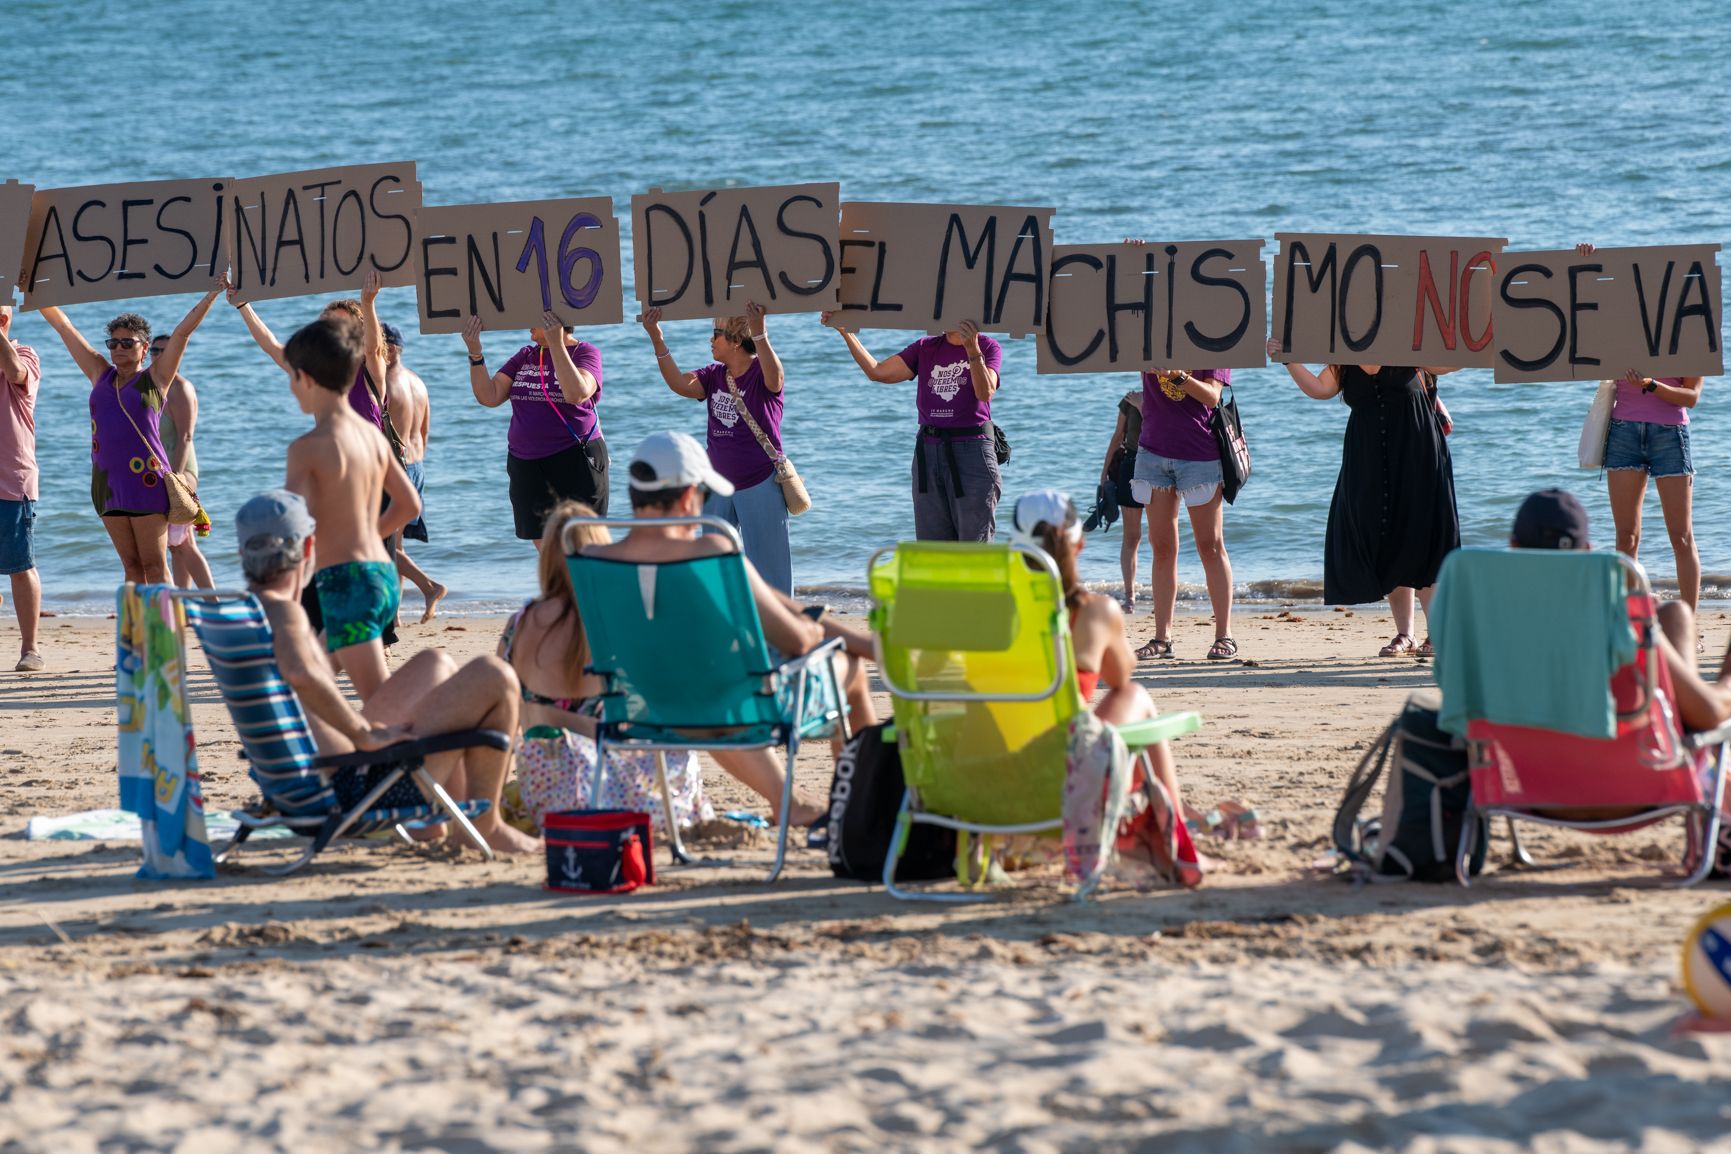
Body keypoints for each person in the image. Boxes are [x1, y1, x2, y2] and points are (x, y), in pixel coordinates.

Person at [583, 431, 879, 828]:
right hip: (735, 709)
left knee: (710, 689)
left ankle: (788, 799)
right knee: (851, 670)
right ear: (690, 496)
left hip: (641, 710)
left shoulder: (593, 559)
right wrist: (830, 635)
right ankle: (863, 806)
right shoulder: (711, 552)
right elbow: (796, 640)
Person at [234, 489, 538, 855]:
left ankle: (447, 820)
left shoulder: (242, 617)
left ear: (242, 553)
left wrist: (341, 629)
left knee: (434, 662)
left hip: (304, 781)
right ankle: (484, 826)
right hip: (352, 788)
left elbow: (302, 680)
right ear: (309, 548)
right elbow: (301, 675)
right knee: (495, 675)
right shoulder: (285, 616)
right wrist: (363, 734)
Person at [497, 498, 712, 832]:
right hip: (606, 790)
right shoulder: (617, 621)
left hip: (546, 792)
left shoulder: (518, 626)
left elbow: (503, 725)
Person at [1270, 339, 1460, 657]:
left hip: (1417, 452)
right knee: (1383, 537)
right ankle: (1405, 635)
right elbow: (1320, 389)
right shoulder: (1343, 356)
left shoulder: (1408, 345)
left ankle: (1437, 634)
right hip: (1368, 457)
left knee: (1424, 538)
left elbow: (1451, 363)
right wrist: (1287, 359)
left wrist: (1480, 338)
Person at [1009, 489, 1190, 819]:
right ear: (1079, 545)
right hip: (1062, 778)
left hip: (989, 763)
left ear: (1015, 546)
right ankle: (1173, 822)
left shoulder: (988, 608)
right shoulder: (1093, 612)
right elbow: (1120, 675)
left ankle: (1172, 817)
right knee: (1134, 694)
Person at [39, 283, 222, 587]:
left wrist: (211, 295)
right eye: (113, 342)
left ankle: (166, 633)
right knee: (131, 567)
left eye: (127, 342)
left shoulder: (157, 379)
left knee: (154, 564)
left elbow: (182, 333)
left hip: (147, 482)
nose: (118, 348)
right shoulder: (100, 372)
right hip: (107, 483)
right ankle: (138, 634)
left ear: (144, 348)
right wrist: (36, 291)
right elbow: (63, 326)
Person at [282, 314, 420, 702]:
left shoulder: (306, 449)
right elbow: (409, 504)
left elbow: (290, 528)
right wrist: (365, 537)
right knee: (309, 683)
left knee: (379, 699)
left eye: (291, 378)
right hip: (379, 575)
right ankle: (329, 757)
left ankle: (412, 749)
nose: (292, 389)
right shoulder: (372, 437)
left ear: (305, 378)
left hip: (346, 582)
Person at [1576, 245, 1702, 615]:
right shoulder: (1620, 327)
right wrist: (1583, 264)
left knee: (1681, 536)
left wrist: (1651, 384)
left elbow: (1691, 396)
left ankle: (1687, 625)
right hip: (1624, 433)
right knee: (1626, 537)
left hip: (1670, 436)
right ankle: (1626, 621)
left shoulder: (1689, 331)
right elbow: (1578, 313)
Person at [641, 303, 794, 593]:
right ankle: (725, 625)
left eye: (717, 334)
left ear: (736, 341)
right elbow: (678, 384)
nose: (711, 340)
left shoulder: (763, 372)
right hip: (716, 486)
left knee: (771, 573)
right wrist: (656, 337)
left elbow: (775, 378)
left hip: (759, 482)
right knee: (714, 566)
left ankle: (777, 634)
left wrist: (759, 332)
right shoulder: (714, 374)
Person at [822, 311, 1002, 542]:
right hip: (929, 451)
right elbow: (878, 372)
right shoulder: (925, 347)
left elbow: (985, 392)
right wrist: (846, 332)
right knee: (932, 549)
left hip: (972, 451)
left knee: (974, 547)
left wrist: (972, 350)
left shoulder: (988, 346)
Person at [464, 309, 608, 547]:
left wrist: (556, 344)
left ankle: (585, 584)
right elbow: (489, 396)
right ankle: (560, 585)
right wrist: (475, 353)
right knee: (548, 549)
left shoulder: (585, 353)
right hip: (527, 463)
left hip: (574, 457)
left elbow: (576, 393)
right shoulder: (526, 355)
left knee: (583, 545)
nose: (525, 320)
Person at [1128, 367, 1236, 661]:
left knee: (1210, 546)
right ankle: (1163, 638)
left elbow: (1213, 397)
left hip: (1199, 454)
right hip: (1152, 452)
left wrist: (1178, 376)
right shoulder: (1148, 333)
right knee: (1162, 548)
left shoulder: (1214, 338)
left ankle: (1224, 635)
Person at [230, 279, 393, 436]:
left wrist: (367, 303)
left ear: (359, 331)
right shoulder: (317, 371)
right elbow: (272, 347)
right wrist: (243, 305)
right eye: (328, 325)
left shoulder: (370, 372)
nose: (333, 332)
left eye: (340, 325)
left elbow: (374, 350)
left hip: (369, 462)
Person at [382, 323, 447, 622]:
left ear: (391, 348)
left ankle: (430, 586)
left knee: (379, 541)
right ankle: (394, 615)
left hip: (396, 469)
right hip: (417, 466)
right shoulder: (418, 382)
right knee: (396, 543)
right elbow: (425, 431)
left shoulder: (382, 384)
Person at [146, 333, 213, 590]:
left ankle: (212, 603)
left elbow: (185, 436)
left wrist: (175, 480)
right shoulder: (149, 386)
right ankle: (183, 604)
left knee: (183, 542)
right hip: (159, 472)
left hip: (181, 470)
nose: (158, 355)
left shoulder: (180, 388)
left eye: (164, 350)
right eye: (154, 351)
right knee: (177, 545)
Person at [0, 305, 44, 672]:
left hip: (12, 481)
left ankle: (30, 648)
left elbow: (15, 371)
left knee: (20, 564)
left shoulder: (25, 354)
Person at [1095, 388, 1145, 613]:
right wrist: (1104, 474)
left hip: (1161, 462)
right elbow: (1117, 436)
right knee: (1132, 536)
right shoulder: (1129, 399)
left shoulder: (1170, 394)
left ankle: (1165, 594)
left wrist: (1143, 405)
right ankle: (1130, 596)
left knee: (1163, 537)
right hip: (1131, 464)